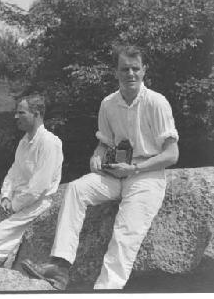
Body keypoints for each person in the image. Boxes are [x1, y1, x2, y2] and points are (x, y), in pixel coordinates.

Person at [22, 45, 179, 290]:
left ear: (144, 70)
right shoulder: (108, 103)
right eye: (124, 69)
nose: (130, 74)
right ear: (116, 72)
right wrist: (97, 157)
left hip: (146, 175)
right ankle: (59, 267)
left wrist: (136, 170)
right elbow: (103, 143)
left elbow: (172, 154)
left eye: (135, 69)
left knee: (125, 232)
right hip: (116, 173)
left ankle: (106, 290)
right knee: (75, 189)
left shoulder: (156, 102)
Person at [0, 94, 64, 270]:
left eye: (21, 113)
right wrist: (6, 197)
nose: (16, 117)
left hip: (36, 207)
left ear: (37, 114)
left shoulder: (50, 143)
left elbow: (37, 188)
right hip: (18, 206)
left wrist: (13, 207)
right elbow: (12, 172)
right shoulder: (23, 142)